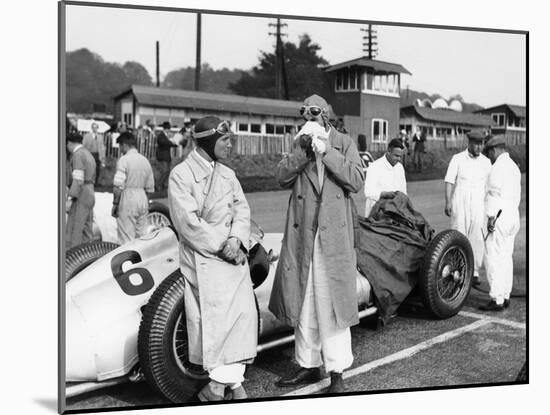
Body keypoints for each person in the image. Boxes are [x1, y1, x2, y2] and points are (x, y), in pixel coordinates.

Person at [269, 94, 365, 394]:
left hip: (333, 237)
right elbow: (281, 177)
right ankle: (308, 365)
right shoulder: (300, 142)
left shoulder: (344, 142)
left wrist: (328, 152)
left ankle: (336, 371)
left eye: (315, 115)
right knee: (306, 299)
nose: (309, 121)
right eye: (306, 116)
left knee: (332, 301)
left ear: (326, 116)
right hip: (305, 236)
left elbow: (357, 180)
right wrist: (305, 153)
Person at [168, 116, 257, 401]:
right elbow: (188, 223)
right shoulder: (181, 175)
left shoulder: (228, 174)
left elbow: (242, 211)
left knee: (242, 316)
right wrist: (222, 245)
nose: (230, 145)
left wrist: (236, 240)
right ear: (207, 141)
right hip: (203, 255)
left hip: (232, 253)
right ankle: (225, 386)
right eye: (225, 140)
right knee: (217, 318)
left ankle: (220, 386)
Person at [479, 136, 521, 311]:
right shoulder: (513, 167)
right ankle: (505, 295)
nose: (489, 157)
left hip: (498, 216)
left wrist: (490, 218)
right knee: (505, 257)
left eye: (489, 153)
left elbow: (493, 195)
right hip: (512, 214)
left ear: (494, 150)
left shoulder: (497, 168)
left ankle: (496, 298)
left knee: (493, 257)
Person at [444, 130, 492, 286]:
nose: (479, 147)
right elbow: (449, 181)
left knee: (477, 237)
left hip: (479, 202)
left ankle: (474, 272)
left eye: (481, 144)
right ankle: (458, 270)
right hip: (460, 200)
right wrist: (448, 202)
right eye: (476, 144)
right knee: (459, 234)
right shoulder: (457, 159)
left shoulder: (486, 162)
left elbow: (490, 186)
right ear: (469, 143)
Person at [111, 131, 155, 244]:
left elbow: (118, 185)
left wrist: (115, 204)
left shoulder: (124, 160)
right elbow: (150, 187)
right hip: (143, 197)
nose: (120, 149)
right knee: (142, 237)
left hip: (128, 197)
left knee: (126, 237)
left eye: (120, 146)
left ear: (124, 145)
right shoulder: (145, 161)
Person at [66, 132, 96, 248]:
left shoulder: (78, 155)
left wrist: (70, 197)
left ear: (69, 143)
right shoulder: (88, 154)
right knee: (87, 228)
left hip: (82, 192)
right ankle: (88, 256)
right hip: (90, 190)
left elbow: (78, 179)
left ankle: (74, 258)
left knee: (75, 229)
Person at [363, 138, 407, 217]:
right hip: (376, 213)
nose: (399, 159)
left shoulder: (400, 168)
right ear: (388, 151)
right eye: (396, 156)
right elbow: (368, 192)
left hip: (395, 211)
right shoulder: (374, 166)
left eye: (400, 156)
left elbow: (403, 191)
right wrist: (385, 194)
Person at [156, 121, 177, 192]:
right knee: (165, 171)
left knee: (167, 171)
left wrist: (173, 143)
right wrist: (172, 143)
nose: (169, 130)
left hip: (167, 156)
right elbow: (163, 142)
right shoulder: (161, 135)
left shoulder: (165, 136)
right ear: (166, 129)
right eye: (168, 128)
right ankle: (158, 184)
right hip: (163, 156)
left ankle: (162, 185)